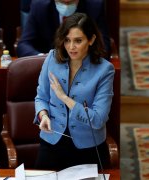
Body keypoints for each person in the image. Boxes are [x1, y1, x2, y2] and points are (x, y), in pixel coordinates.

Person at [34, 13, 114, 170]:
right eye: (67, 40)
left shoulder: (105, 70)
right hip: (52, 142)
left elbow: (98, 120)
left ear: (91, 40)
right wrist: (43, 115)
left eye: (78, 41)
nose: (71, 47)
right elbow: (41, 97)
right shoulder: (51, 58)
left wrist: (64, 97)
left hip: (88, 148)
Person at [17, 0, 110, 59]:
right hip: (47, 68)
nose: (66, 5)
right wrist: (42, 58)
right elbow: (24, 44)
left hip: (83, 68)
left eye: (70, 2)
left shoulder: (95, 7)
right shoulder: (39, 7)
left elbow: (104, 47)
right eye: (62, 2)